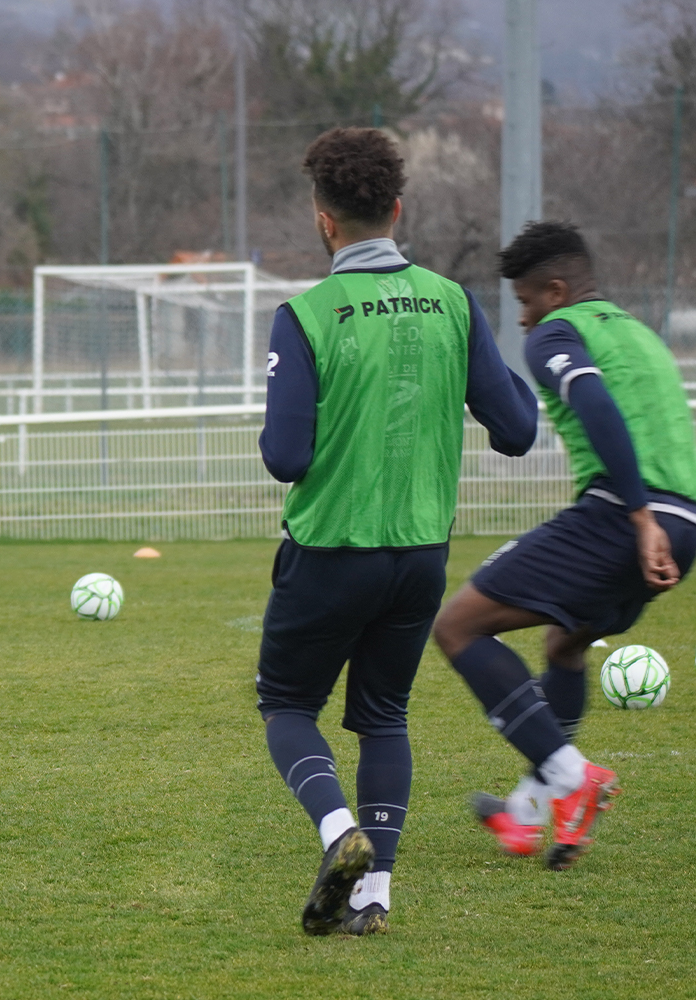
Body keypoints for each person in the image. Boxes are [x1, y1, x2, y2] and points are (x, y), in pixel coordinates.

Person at [256, 127, 538, 935]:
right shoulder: (452, 303)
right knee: (382, 715)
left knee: (287, 705)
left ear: (324, 219)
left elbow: (285, 457)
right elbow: (518, 430)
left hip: (329, 550)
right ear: (398, 209)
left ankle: (337, 831)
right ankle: (372, 894)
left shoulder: (305, 316)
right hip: (420, 554)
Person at [432, 221, 696, 870]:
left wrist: (639, 517)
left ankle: (572, 777)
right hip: (684, 525)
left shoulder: (555, 333)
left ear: (555, 290)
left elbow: (595, 402)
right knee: (565, 644)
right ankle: (527, 811)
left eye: (525, 301)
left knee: (458, 627)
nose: (523, 319)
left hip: (624, 516)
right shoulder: (639, 334)